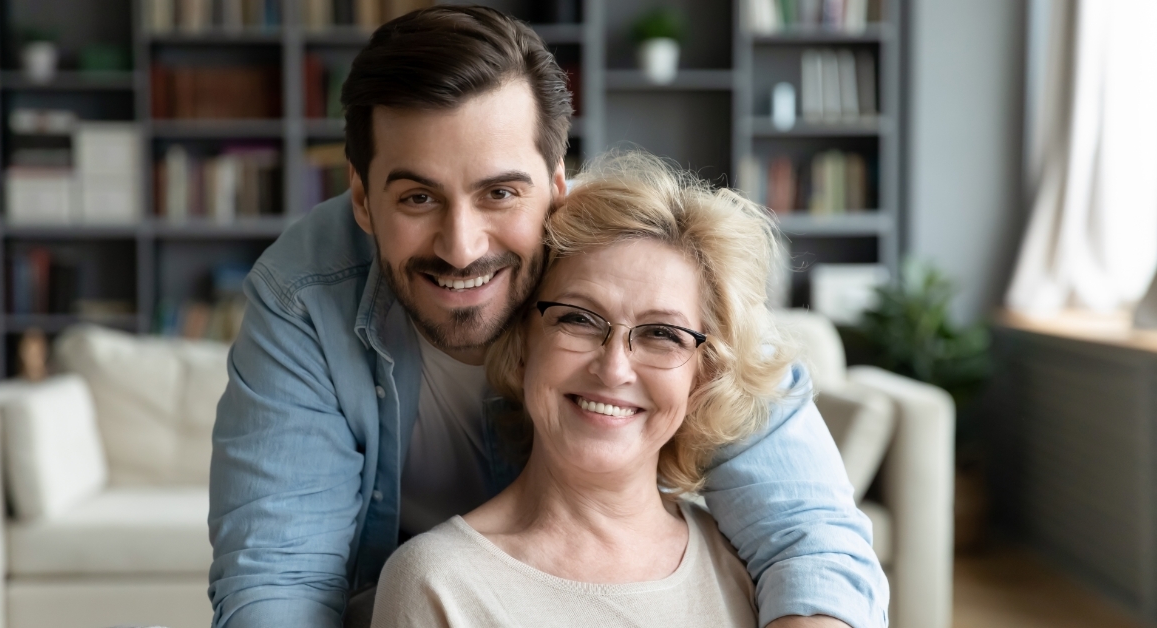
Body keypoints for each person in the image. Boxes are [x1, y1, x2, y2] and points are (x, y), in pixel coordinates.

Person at [207, 6, 888, 628]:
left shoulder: (651, 267)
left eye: (500, 191)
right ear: (361, 198)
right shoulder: (303, 295)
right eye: (418, 197)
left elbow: (811, 535)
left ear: (559, 183)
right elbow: (278, 581)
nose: (461, 246)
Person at [371, 151, 797, 626]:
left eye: (662, 334)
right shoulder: (438, 585)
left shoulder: (757, 573)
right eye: (577, 318)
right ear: (523, 341)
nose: (614, 369)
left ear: (703, 375)